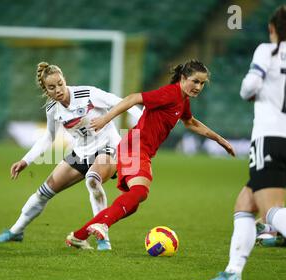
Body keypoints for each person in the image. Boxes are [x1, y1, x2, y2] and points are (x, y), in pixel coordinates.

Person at [65, 60, 236, 250]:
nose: (199, 87)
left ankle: (79, 236)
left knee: (133, 203)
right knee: (139, 192)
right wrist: (105, 118)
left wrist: (220, 140)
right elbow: (133, 98)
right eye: (195, 81)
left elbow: (191, 123)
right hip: (135, 147)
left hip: (136, 148)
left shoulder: (182, 100)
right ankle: (102, 225)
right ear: (183, 78)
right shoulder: (170, 93)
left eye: (202, 83)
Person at [0, 62, 142, 250]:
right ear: (46, 90)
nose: (58, 90)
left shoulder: (88, 94)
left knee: (92, 179)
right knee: (43, 193)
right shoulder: (52, 109)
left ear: (65, 80)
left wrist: (141, 121)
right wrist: (25, 160)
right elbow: (49, 137)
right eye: (52, 87)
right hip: (81, 153)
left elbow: (123, 102)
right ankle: (15, 232)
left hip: (108, 148)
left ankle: (103, 236)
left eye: (60, 84)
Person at [200, 5, 286, 280]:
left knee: (270, 209)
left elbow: (249, 87)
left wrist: (255, 93)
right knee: (245, 204)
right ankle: (232, 273)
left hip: (270, 138)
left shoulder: (268, 51)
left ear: (273, 29)